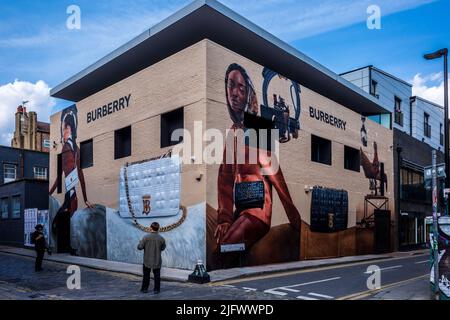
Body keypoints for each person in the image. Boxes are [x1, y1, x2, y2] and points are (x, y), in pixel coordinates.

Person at [214, 64, 301, 256]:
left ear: (248, 94)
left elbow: (274, 173)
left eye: (241, 88)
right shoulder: (232, 131)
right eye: (230, 85)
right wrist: (224, 218)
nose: (234, 93)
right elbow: (225, 180)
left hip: (257, 213)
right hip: (241, 210)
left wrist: (293, 216)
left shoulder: (257, 127)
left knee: (221, 251)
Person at [49, 108, 93, 254]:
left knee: (70, 221)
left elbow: (80, 173)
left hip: (73, 194)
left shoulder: (75, 149)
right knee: (62, 219)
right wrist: (49, 193)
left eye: (65, 128)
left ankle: (73, 247)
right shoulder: (66, 148)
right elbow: (61, 175)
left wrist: (86, 199)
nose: (63, 131)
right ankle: (67, 244)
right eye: (62, 129)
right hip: (70, 193)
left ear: (70, 128)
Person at [137, 222, 166, 294]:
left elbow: (140, 247)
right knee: (157, 275)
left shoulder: (146, 237)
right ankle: (156, 290)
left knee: (146, 275)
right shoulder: (161, 238)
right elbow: (162, 248)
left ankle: (144, 289)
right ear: (158, 228)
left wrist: (140, 243)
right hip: (157, 260)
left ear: (151, 228)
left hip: (147, 260)